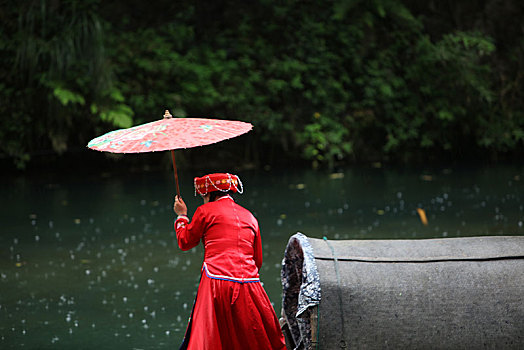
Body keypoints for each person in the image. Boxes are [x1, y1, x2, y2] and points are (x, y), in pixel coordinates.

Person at [173, 173, 286, 350]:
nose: (203, 200)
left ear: (210, 194)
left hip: (216, 282)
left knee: (212, 338)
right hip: (249, 284)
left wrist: (182, 216)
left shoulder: (205, 211)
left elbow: (185, 241)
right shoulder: (250, 217)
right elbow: (257, 260)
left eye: (203, 196)